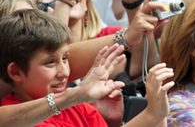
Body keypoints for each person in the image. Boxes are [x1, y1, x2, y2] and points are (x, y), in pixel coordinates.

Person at [0, 9, 174, 127]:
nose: (64, 72)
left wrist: (156, 113)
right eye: (50, 62)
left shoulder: (80, 108)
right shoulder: (14, 118)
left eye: (66, 58)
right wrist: (151, 116)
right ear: (15, 72)